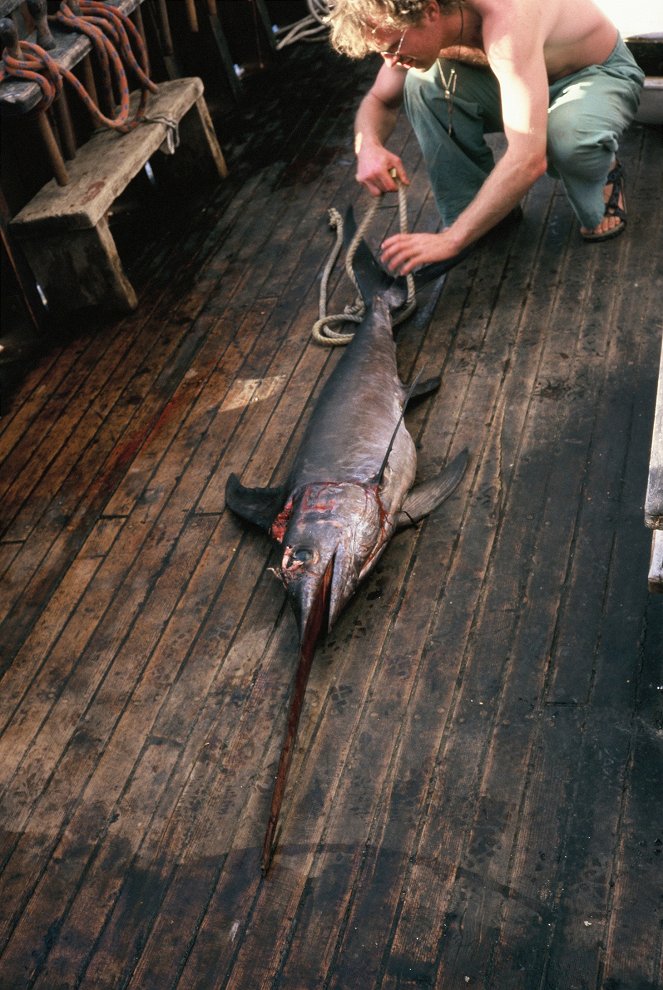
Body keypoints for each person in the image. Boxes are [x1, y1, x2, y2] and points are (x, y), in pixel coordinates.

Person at [327, 0, 645, 275]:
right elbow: (379, 100)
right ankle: (480, 216)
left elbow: (528, 160)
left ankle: (605, 170)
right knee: (422, 83)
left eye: (394, 48)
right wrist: (367, 144)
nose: (391, 61)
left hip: (592, 75)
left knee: (569, 136)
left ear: (431, 11)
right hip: (518, 79)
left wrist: (451, 240)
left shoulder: (507, 20)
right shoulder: (411, 30)